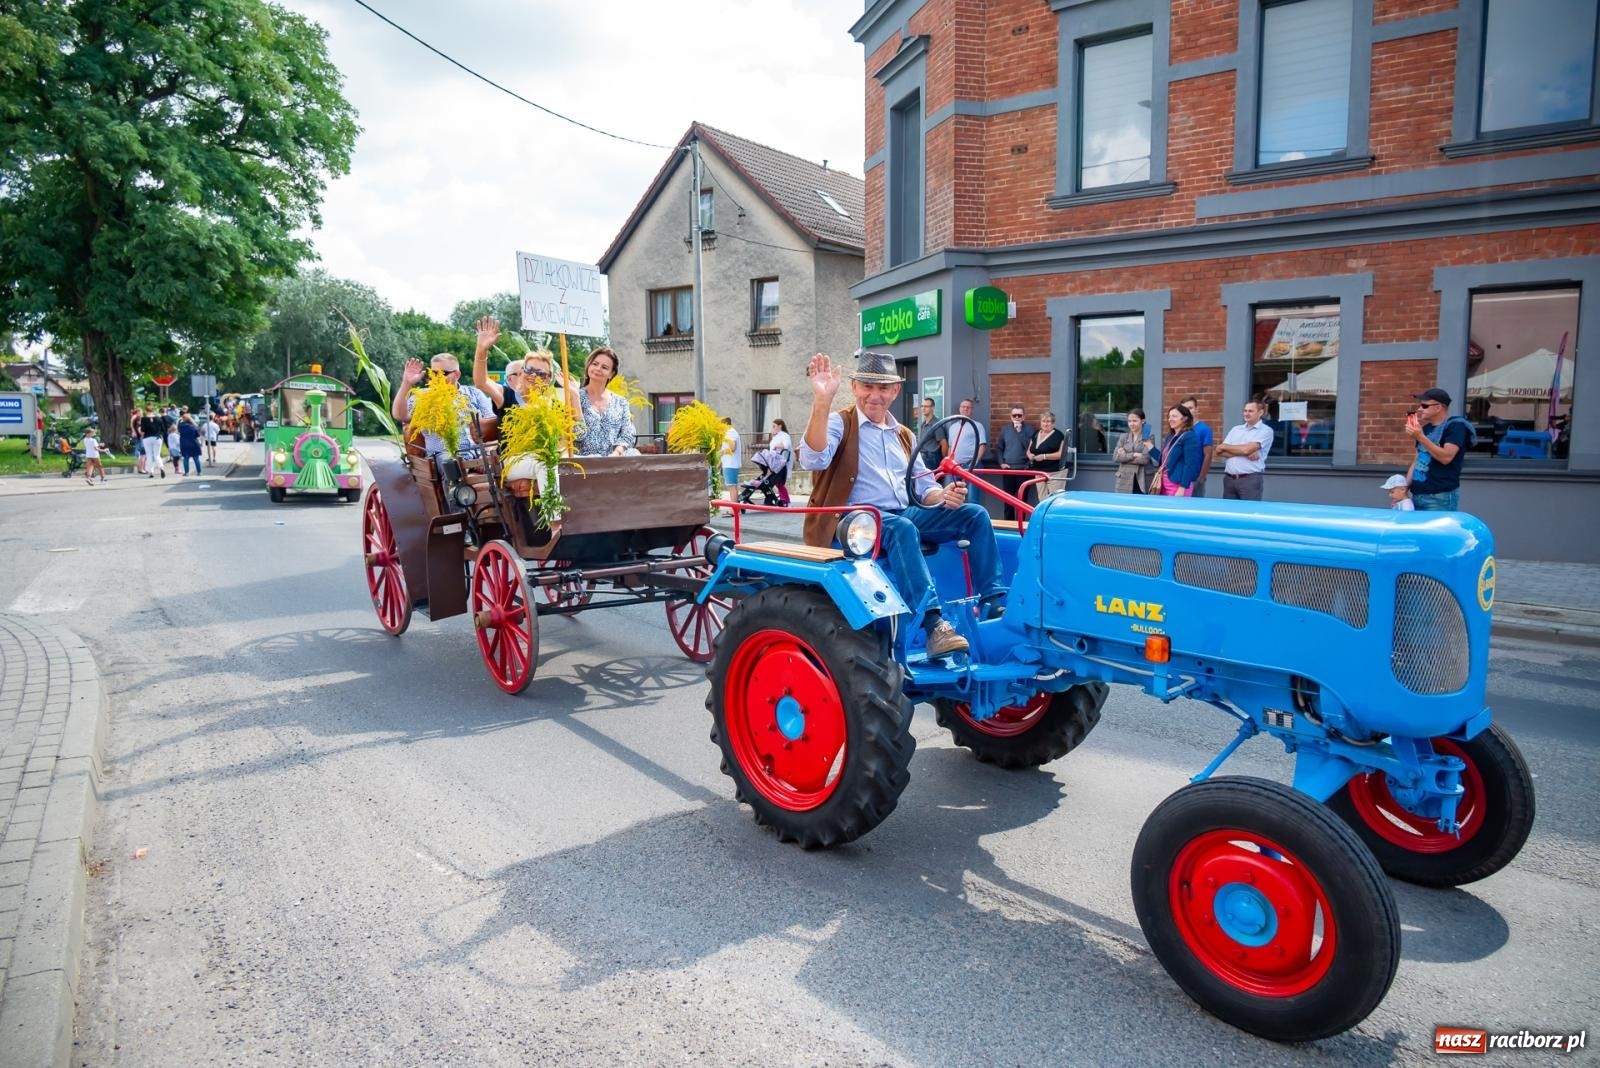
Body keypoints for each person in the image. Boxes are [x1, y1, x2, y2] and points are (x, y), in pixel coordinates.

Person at [799, 350, 1002, 658]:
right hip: (855, 522)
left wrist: (942, 497)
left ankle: (994, 600)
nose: (874, 395)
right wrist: (822, 400)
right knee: (902, 527)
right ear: (854, 387)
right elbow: (812, 457)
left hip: (898, 515)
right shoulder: (841, 423)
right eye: (867, 385)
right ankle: (933, 623)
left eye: (882, 388)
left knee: (973, 514)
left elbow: (924, 487)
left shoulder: (904, 435)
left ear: (895, 392)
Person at [390, 353, 495, 460]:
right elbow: (399, 415)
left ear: (457, 374)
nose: (437, 378)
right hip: (443, 455)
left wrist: (486, 454)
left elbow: (491, 426)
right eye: (434, 373)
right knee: (451, 464)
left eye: (443, 373)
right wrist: (407, 383)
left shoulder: (474, 394)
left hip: (478, 452)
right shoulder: (423, 397)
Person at [1406, 387, 1474, 511]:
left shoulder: (1456, 426)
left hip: (1440, 496)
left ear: (1438, 408)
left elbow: (1446, 457)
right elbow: (1417, 460)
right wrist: (1404, 487)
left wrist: (1420, 437)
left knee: (1437, 531)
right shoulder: (1425, 429)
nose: (1420, 409)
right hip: (1417, 494)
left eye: (1424, 406)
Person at [567, 347, 636, 457]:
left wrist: (616, 454)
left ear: (611, 374)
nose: (598, 368)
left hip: (613, 465)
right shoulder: (572, 397)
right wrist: (575, 397)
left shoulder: (621, 402)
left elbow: (628, 435)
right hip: (582, 465)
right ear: (588, 366)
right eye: (595, 364)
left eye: (604, 367)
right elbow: (577, 435)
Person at [1214, 399, 1275, 500]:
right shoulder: (1236, 429)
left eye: (1250, 411)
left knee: (1249, 513)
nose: (1246, 413)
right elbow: (1220, 451)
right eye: (1245, 411)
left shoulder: (1266, 431)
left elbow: (1246, 450)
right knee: (1228, 513)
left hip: (1249, 480)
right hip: (1229, 479)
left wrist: (1228, 447)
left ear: (1260, 413)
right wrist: (1244, 451)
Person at [1152, 404, 1202, 496]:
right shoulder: (1170, 437)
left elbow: (1190, 465)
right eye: (1169, 416)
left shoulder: (1189, 436)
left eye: (1174, 416)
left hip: (1178, 485)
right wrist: (1150, 447)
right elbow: (1165, 460)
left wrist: (1182, 487)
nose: (1170, 419)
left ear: (1185, 419)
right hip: (1163, 484)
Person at [996, 405, 1033, 519]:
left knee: (1022, 500)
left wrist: (1020, 432)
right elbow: (999, 448)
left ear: (1024, 417)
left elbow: (1030, 449)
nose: (1017, 417)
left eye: (1019, 415)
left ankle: (1020, 525)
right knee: (1008, 499)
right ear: (1011, 417)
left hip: (1023, 469)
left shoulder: (1029, 430)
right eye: (1014, 415)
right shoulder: (1005, 430)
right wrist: (1001, 463)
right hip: (1008, 469)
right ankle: (1009, 524)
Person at [1025, 410, 1066, 504]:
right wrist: (1030, 455)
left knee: (1055, 500)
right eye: (1043, 421)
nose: (1045, 424)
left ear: (1053, 423)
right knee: (1042, 499)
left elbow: (1061, 454)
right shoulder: (1035, 434)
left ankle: (1053, 518)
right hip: (1039, 472)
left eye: (1048, 421)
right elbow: (1029, 450)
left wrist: (1044, 456)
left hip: (1055, 473)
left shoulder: (1059, 435)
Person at [942, 397, 988, 477]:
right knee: (953, 489)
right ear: (959, 409)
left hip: (971, 466)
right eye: (963, 407)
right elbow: (950, 447)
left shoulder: (978, 426)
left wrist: (976, 462)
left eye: (968, 407)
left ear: (972, 410)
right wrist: (950, 461)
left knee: (972, 490)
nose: (965, 409)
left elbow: (982, 445)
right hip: (955, 467)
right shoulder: (952, 427)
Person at [1113, 409, 1155, 493]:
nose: (1132, 424)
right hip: (1124, 479)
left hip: (1142, 479)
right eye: (1129, 421)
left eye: (1135, 421)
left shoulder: (1149, 437)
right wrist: (1134, 454)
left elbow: (1144, 459)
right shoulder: (1123, 437)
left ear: (1142, 421)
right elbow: (1116, 457)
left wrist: (1125, 455)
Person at [1181, 395, 1216, 496]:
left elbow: (1208, 455)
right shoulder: (1181, 429)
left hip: (1195, 479)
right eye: (1184, 409)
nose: (1187, 411)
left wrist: (1200, 479)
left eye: (1190, 408)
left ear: (1196, 409)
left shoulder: (1204, 429)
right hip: (1181, 478)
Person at [767, 418, 792, 506]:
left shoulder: (784, 435)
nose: (773, 428)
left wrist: (776, 446)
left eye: (774, 426)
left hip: (780, 463)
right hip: (775, 462)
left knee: (779, 483)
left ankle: (785, 500)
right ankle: (783, 499)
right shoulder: (777, 436)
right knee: (777, 483)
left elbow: (786, 445)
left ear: (780, 426)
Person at [917, 397, 943, 473]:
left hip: (932, 457)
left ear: (932, 408)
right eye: (922, 406)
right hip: (922, 456)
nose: (923, 408)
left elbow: (943, 443)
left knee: (931, 480)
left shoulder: (936, 424)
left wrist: (943, 459)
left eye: (926, 406)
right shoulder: (923, 424)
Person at [138, 408, 166, 478]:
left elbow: (142, 430)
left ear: (146, 411)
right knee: (157, 455)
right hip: (157, 437)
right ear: (153, 411)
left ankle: (151, 472)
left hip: (147, 438)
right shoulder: (159, 418)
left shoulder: (144, 419)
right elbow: (163, 429)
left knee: (149, 455)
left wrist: (141, 435)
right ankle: (161, 468)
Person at [720, 417, 743, 494]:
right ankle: (735, 505)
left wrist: (722, 452)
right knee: (732, 486)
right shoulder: (730, 432)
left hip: (731, 464)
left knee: (731, 486)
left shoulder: (730, 432)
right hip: (729, 463)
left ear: (725, 424)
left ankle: (734, 506)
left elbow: (732, 448)